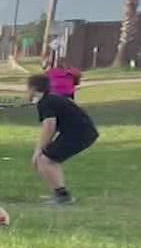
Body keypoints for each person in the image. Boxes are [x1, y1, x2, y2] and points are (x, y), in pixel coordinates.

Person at [27, 72, 97, 205]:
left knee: (44, 160)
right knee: (49, 160)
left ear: (34, 89)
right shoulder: (51, 99)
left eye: (28, 88)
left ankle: (63, 197)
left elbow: (49, 126)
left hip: (79, 133)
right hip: (82, 132)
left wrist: (38, 151)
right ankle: (60, 194)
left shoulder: (45, 102)